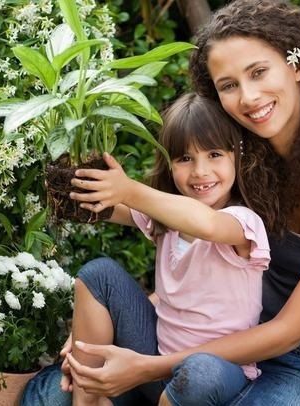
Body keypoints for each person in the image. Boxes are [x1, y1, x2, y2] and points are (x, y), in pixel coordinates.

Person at [24, 0, 300, 405]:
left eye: (259, 72)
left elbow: (290, 331)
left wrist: (147, 366)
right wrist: (91, 331)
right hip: (221, 337)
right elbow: (186, 239)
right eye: (228, 85)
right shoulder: (241, 158)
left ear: (297, 66)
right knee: (49, 395)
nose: (249, 97)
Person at [23, 93, 270, 406]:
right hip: (151, 363)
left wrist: (130, 189)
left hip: (217, 376)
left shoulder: (242, 224)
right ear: (169, 165)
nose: (200, 171)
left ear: (237, 157)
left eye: (215, 154)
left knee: (200, 372)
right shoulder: (165, 221)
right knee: (98, 274)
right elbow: (107, 208)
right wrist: (76, 182)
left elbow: (207, 225)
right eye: (185, 158)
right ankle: (89, 400)